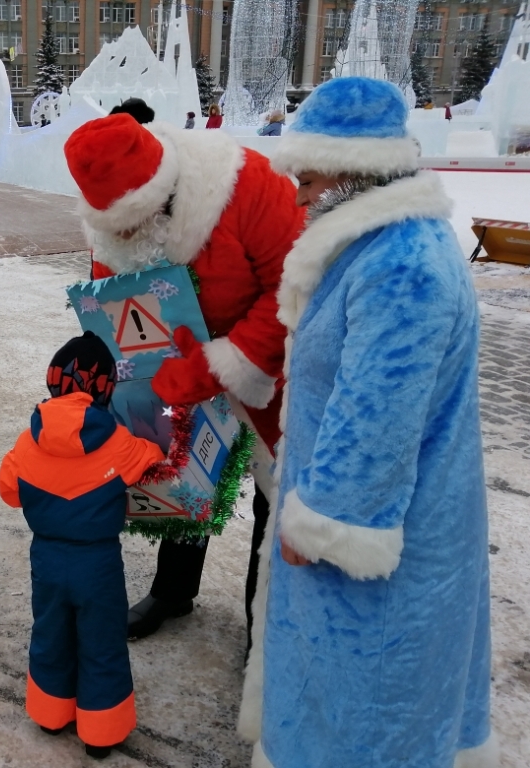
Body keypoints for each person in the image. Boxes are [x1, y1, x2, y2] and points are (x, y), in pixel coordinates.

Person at [239, 76, 495, 768]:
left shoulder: (400, 265)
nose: (296, 196)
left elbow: (379, 418)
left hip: (380, 549)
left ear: (355, 172)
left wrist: (322, 515)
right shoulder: (374, 247)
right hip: (385, 532)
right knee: (347, 706)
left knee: (368, 717)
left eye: (310, 178)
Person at [64, 112, 304, 643]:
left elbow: (295, 286)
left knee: (277, 495)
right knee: (185, 470)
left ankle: (265, 631)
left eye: (130, 224)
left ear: (160, 196)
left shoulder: (249, 184)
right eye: (112, 228)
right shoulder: (111, 217)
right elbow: (112, 294)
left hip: (268, 363)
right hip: (176, 363)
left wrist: (225, 361)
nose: (121, 236)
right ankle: (173, 590)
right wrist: (107, 369)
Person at [0, 332, 165, 760]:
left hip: (47, 561)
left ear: (53, 383)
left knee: (51, 633)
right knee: (102, 641)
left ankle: (51, 714)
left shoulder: (26, 442)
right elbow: (151, 457)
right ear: (107, 388)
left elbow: (9, 491)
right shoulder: (118, 443)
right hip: (99, 564)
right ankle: (100, 731)